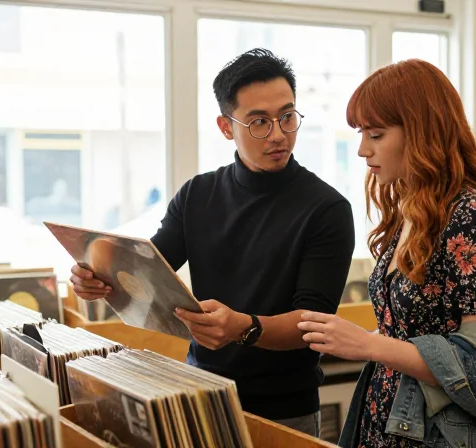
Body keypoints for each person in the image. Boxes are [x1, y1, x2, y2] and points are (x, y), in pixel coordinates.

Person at [69, 48, 356, 438]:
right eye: (258, 122)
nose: (278, 134)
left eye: (287, 117)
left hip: (284, 409)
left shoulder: (326, 209)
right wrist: (96, 279)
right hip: (199, 393)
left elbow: (311, 324)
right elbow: (148, 268)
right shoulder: (197, 194)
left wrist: (243, 327)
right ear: (226, 127)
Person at [297, 59, 476, 447]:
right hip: (387, 417)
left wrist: (368, 344)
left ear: (421, 132)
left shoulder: (470, 216)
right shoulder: (410, 211)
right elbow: (412, 332)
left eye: (375, 134)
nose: (361, 150)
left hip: (435, 432)